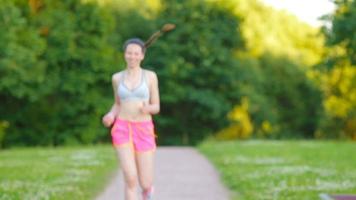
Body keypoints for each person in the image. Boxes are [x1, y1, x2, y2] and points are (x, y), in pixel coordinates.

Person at [102, 38, 160, 200]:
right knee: (130, 178)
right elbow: (117, 104)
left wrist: (146, 108)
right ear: (124, 55)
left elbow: (156, 106)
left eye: (136, 53)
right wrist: (110, 115)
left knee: (145, 182)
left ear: (142, 56)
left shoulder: (150, 77)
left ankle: (147, 193)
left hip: (144, 129)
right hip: (122, 128)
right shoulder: (116, 78)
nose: (132, 56)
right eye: (129, 53)